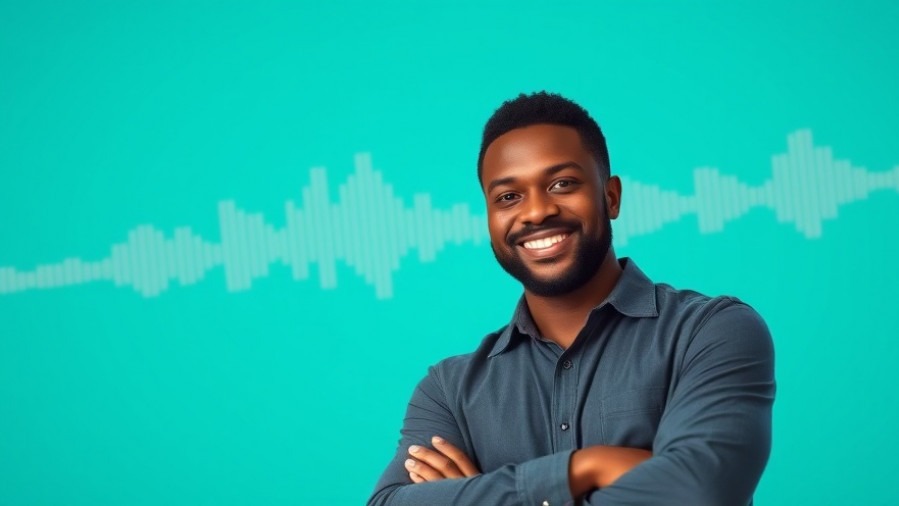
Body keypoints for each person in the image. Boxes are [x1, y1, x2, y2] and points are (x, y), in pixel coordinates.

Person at [367, 92, 775, 505]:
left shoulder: (709, 333)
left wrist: (484, 495)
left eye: (562, 184)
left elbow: (697, 492)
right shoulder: (449, 391)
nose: (536, 212)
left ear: (610, 197)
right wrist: (585, 468)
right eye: (509, 197)